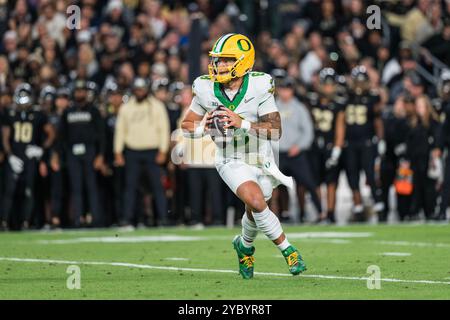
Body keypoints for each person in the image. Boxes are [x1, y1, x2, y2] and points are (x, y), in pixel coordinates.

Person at [181, 33, 306, 279]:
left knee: (254, 207)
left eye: (227, 60)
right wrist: (202, 129)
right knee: (258, 202)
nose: (220, 66)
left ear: (244, 61)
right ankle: (288, 250)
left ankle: (245, 246)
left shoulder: (260, 84)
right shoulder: (205, 87)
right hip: (231, 158)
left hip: (261, 156)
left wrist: (243, 123)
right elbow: (187, 125)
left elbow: (275, 131)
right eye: (218, 60)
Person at [114, 77, 170, 228]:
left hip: (152, 151)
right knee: (130, 187)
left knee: (157, 187)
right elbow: (120, 130)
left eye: (142, 89)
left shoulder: (157, 106)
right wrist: (118, 151)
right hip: (132, 151)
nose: (140, 92)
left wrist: (163, 150)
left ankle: (163, 218)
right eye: (137, 89)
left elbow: (164, 128)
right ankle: (127, 219)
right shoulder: (126, 107)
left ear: (147, 89)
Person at [1, 83, 55, 230]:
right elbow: (5, 137)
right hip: (15, 157)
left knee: (29, 190)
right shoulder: (9, 113)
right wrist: (10, 156)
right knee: (9, 190)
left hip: (30, 157)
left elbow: (51, 133)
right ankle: (4, 222)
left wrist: (41, 149)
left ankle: (26, 222)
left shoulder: (38, 114)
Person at [274, 76, 324, 222]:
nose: (285, 93)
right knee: (274, 187)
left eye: (287, 89)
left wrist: (299, 146)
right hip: (278, 153)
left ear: (292, 91)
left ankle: (321, 212)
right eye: (282, 89)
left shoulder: (299, 108)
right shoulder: (272, 107)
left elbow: (308, 131)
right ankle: (280, 215)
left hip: (296, 153)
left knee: (308, 183)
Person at [58, 79, 105, 227]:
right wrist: (61, 155)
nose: (80, 93)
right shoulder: (67, 112)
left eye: (82, 91)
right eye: (78, 91)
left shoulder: (93, 111)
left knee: (91, 186)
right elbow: (62, 136)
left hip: (90, 150)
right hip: (72, 152)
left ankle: (95, 219)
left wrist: (100, 155)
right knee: (76, 187)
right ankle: (78, 219)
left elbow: (101, 135)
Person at [344, 66, 386, 222]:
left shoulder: (373, 97)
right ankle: (358, 206)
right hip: (350, 143)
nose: (360, 84)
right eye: (358, 80)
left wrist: (381, 140)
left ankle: (379, 205)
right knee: (352, 174)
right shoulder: (346, 96)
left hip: (367, 142)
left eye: (363, 80)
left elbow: (377, 120)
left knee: (370, 174)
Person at [307, 68, 346, 224]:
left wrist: (336, 150)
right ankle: (320, 212)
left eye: (331, 84)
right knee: (316, 181)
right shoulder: (311, 101)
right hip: (314, 146)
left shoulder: (338, 105)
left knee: (331, 182)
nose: (329, 88)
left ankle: (330, 213)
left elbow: (340, 128)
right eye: (326, 84)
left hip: (330, 146)